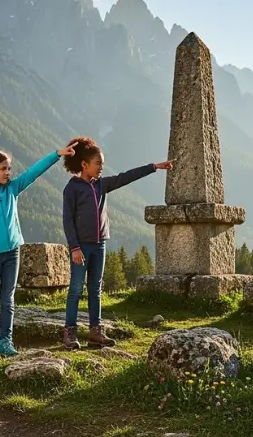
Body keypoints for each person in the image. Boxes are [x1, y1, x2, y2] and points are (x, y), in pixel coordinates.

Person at [61, 136, 174, 350]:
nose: (102, 167)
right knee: (76, 289)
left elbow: (126, 177)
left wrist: (154, 167)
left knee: (95, 289)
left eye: (102, 164)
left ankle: (96, 332)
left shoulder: (102, 185)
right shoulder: (72, 188)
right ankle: (69, 333)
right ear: (84, 165)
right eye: (98, 164)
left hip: (99, 244)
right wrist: (74, 247)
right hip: (81, 247)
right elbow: (67, 220)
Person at [0, 143, 78, 362]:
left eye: (9, 168)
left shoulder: (12, 189)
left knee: (8, 299)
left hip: (12, 253)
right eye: (3, 169)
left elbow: (34, 172)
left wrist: (56, 154)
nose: (8, 173)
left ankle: (6, 343)